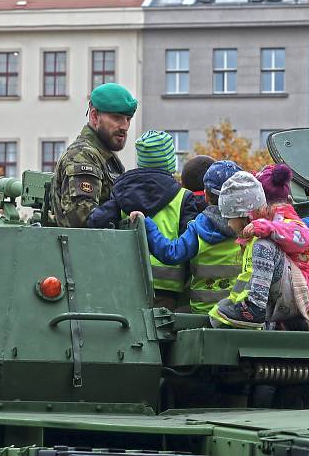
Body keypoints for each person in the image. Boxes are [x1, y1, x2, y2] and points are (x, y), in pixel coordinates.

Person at [90, 130, 198, 309]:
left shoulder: (122, 193)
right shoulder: (183, 197)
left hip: (127, 284)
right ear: (170, 161)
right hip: (168, 290)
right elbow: (191, 244)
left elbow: (96, 221)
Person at [131, 160, 243, 314]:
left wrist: (147, 225)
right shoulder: (249, 229)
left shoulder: (201, 228)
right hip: (236, 312)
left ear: (206, 195)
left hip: (203, 312)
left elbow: (170, 253)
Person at [251, 164, 309, 331]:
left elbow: (301, 232)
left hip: (293, 309)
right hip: (304, 312)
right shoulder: (281, 225)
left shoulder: (271, 228)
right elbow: (304, 230)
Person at [208, 171, 295, 329]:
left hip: (289, 316)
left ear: (245, 216)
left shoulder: (261, 244)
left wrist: (220, 315)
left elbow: (250, 290)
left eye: (229, 218)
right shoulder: (253, 241)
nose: (228, 224)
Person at [51, 83, 137, 228]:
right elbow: (82, 219)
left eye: (128, 119)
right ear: (95, 116)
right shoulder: (82, 155)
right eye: (117, 118)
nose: (125, 126)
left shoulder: (106, 156)